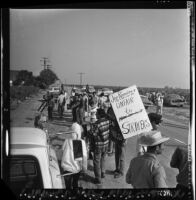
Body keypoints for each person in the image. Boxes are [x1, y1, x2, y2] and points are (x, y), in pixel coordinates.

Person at [61, 122, 87, 189]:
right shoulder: (81, 142)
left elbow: (62, 150)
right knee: (75, 183)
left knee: (68, 186)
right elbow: (84, 157)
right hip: (76, 169)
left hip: (66, 168)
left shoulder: (66, 140)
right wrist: (84, 169)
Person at [89, 109, 110, 184]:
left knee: (96, 161)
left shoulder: (97, 124)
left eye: (97, 114)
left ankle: (98, 179)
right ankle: (103, 172)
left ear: (99, 115)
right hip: (106, 144)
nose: (96, 115)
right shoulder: (107, 121)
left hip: (98, 146)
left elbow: (93, 134)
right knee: (103, 159)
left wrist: (90, 130)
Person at [107, 106, 126, 178]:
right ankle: (117, 169)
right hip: (117, 138)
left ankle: (121, 172)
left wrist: (124, 139)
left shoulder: (123, 118)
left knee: (121, 156)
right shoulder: (117, 118)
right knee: (117, 154)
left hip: (122, 139)